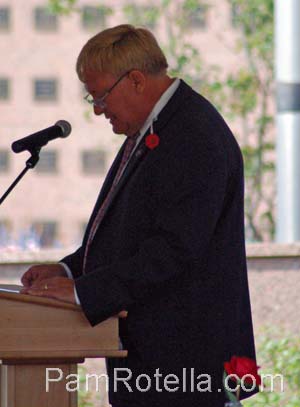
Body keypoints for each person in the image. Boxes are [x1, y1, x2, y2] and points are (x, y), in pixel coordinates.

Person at [21, 24, 257, 407]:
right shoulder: (157, 127)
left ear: (135, 80)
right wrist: (67, 271)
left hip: (188, 368)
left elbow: (175, 250)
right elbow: (128, 237)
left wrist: (82, 293)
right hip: (158, 369)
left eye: (100, 96)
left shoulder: (194, 135)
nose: (98, 110)